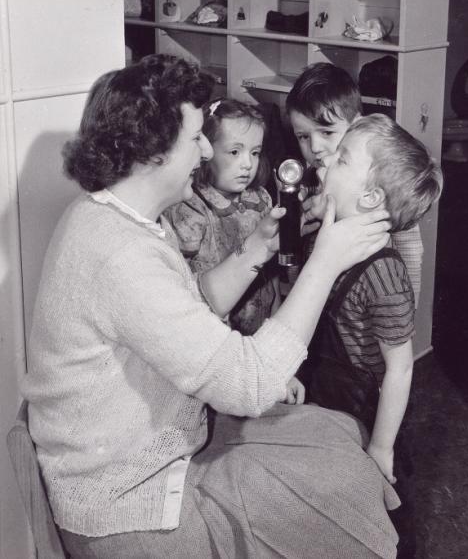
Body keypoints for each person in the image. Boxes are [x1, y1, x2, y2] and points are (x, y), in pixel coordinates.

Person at [21, 54, 401, 559]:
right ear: (154, 151)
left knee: (337, 439)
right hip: (123, 500)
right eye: (196, 137)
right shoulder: (121, 254)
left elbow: (185, 308)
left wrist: (256, 248)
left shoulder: (109, 216)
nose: (205, 152)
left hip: (149, 445)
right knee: (340, 480)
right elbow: (248, 386)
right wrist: (324, 263)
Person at [306, 114, 443, 558]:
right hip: (326, 388)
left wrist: (381, 445)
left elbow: (400, 367)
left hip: (364, 402)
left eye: (342, 159)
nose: (326, 158)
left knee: (382, 498)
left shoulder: (383, 271)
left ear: (370, 197)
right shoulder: (332, 236)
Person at [285, 61, 426, 306]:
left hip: (371, 300)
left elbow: (411, 251)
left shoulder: (382, 179)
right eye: (303, 136)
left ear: (357, 125)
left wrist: (407, 306)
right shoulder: (306, 180)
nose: (315, 147)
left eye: (327, 132)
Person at [164, 99, 277, 335]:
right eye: (235, 152)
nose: (247, 164)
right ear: (206, 149)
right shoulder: (191, 207)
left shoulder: (262, 199)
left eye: (255, 153)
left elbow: (270, 270)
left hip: (260, 325)